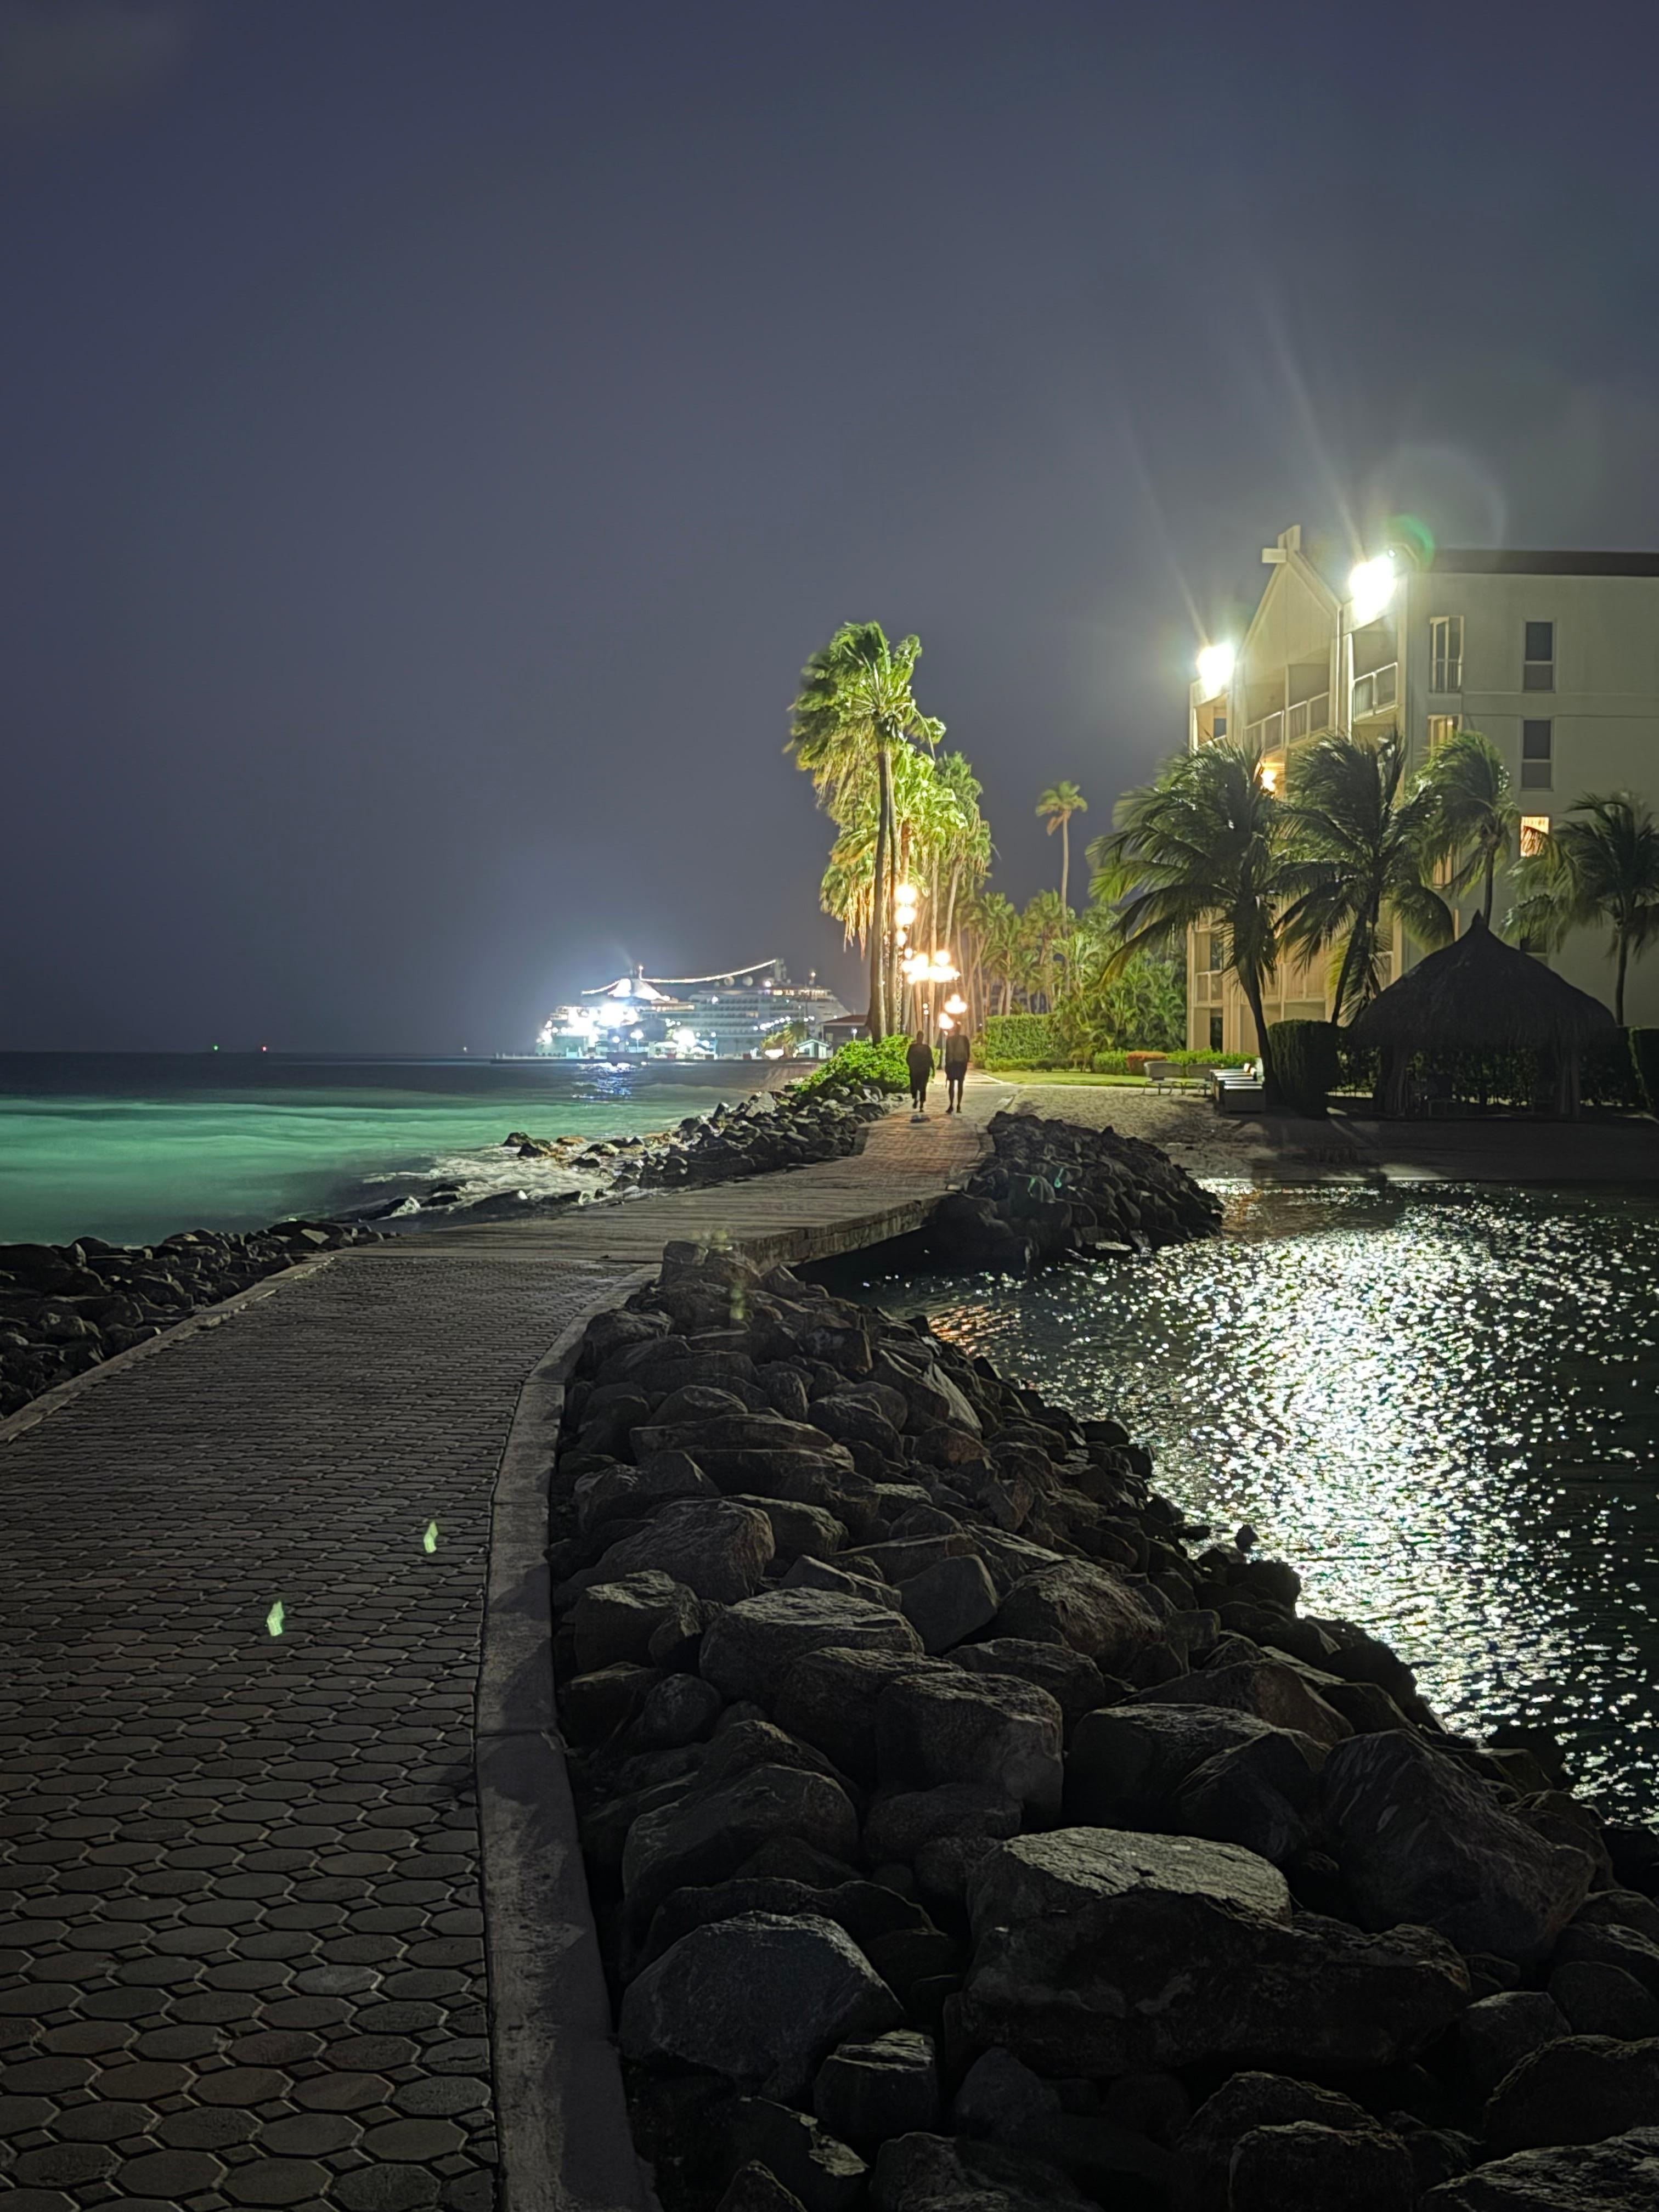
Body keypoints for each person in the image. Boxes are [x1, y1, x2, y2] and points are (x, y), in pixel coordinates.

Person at [906, 1029, 934, 1118]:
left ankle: (921, 1104)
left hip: (922, 1071)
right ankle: (916, 1099)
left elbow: (930, 1059)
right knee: (916, 1087)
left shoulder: (925, 1048)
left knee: (922, 1087)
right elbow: (908, 1058)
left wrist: (933, 1069)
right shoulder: (913, 1047)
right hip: (917, 1070)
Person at [943, 1026, 969, 1113]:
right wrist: (947, 1066)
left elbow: (967, 1052)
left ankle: (958, 1105)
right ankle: (952, 1105)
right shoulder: (950, 1040)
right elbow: (947, 1054)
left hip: (960, 1064)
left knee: (959, 1085)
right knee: (952, 1085)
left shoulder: (964, 1039)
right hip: (952, 1064)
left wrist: (965, 1063)